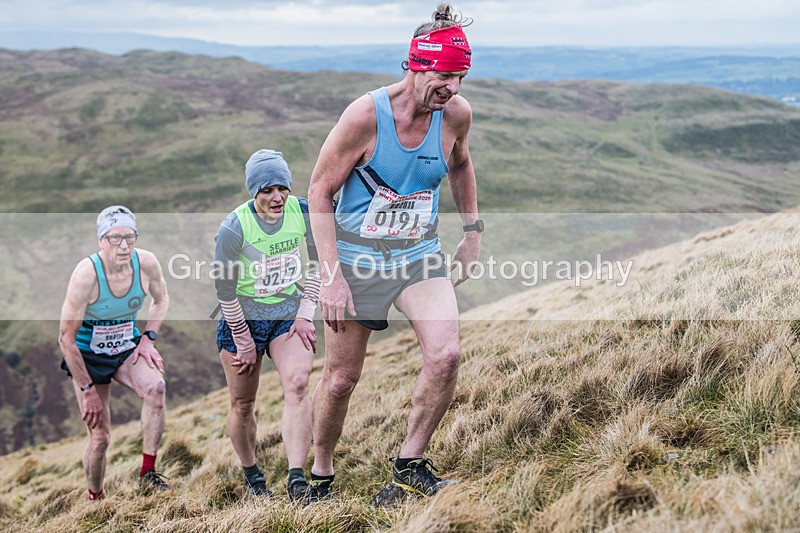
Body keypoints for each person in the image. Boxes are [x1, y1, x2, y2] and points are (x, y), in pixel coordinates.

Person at [307, 2, 483, 504]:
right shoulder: (365, 117)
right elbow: (319, 191)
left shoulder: (455, 115)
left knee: (446, 355)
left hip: (417, 254)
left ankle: (409, 465)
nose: (454, 89)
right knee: (342, 379)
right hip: (357, 258)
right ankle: (320, 475)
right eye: (446, 77)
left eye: (462, 77)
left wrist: (472, 232)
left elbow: (462, 165)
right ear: (417, 65)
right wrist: (331, 276)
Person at [214, 149, 321, 502]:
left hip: (286, 310)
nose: (277, 197)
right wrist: (243, 340)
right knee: (243, 403)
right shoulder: (233, 228)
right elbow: (225, 291)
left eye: (282, 188)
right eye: (267, 190)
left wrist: (305, 313)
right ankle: (251, 472)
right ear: (253, 193)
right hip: (241, 316)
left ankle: (296, 478)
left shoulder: (303, 210)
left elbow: (321, 264)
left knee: (299, 384)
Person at [58, 206, 171, 501]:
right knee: (100, 437)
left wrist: (148, 338)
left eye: (130, 237)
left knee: (156, 387)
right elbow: (65, 338)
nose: (124, 245)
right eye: (115, 238)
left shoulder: (146, 263)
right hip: (88, 357)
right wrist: (87, 390)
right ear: (101, 240)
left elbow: (161, 298)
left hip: (125, 346)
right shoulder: (86, 275)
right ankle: (96, 497)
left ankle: (148, 473)